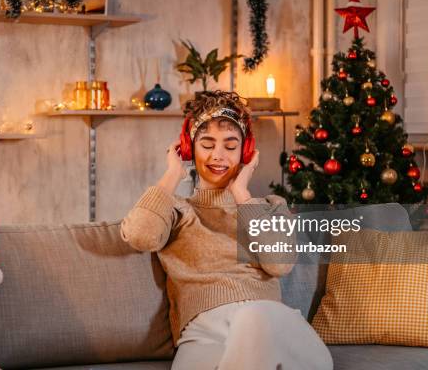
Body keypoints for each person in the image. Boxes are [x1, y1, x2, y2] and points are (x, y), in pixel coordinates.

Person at [120, 91, 332, 370]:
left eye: (230, 147)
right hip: (201, 333)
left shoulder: (269, 206)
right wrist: (173, 173)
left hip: (270, 323)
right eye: (207, 144)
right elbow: (139, 234)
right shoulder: (176, 212)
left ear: (244, 154)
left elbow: (279, 263)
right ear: (188, 149)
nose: (218, 156)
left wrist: (242, 194)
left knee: (251, 318)